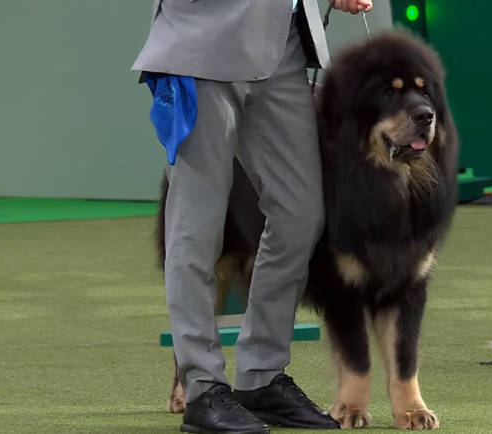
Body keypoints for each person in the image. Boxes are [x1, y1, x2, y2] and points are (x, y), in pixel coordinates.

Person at [132, 0, 372, 432]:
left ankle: (262, 376)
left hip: (283, 48)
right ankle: (203, 387)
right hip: (202, 43)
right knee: (197, 226)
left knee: (301, 214)